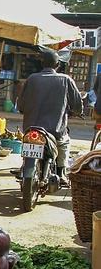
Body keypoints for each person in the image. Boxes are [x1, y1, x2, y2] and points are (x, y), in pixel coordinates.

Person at [18, 50, 83, 187]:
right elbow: (77, 103)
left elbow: (21, 104)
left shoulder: (32, 78)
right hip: (55, 131)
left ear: (42, 63)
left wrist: (24, 109)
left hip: (31, 129)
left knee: (29, 143)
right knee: (64, 143)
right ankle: (61, 172)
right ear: (58, 64)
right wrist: (77, 112)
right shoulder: (65, 79)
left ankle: (24, 166)